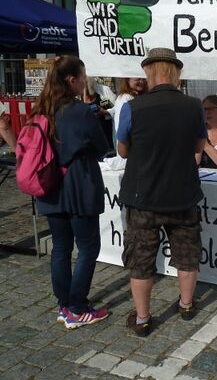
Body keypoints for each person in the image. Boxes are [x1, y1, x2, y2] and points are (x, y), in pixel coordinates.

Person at [117, 47, 206, 337]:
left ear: (149, 72)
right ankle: (186, 305)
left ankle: (143, 319)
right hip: (183, 194)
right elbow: (198, 147)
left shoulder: (133, 107)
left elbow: (122, 151)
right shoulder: (194, 106)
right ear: (176, 73)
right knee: (187, 254)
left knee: (141, 261)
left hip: (144, 196)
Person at [31, 55, 110, 328]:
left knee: (61, 247)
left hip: (50, 185)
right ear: (72, 80)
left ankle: (64, 304)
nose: (85, 82)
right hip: (78, 183)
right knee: (88, 246)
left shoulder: (42, 108)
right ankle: (77, 307)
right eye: (83, 77)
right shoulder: (79, 111)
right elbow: (102, 147)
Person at [102, 77, 146, 170]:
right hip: (128, 148)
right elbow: (123, 127)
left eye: (143, 79)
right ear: (127, 80)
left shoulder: (132, 97)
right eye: (137, 79)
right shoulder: (126, 98)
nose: (141, 82)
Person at [83, 77, 114, 149]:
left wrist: (105, 111)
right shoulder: (79, 94)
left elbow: (116, 108)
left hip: (106, 129)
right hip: (90, 134)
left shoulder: (104, 90)